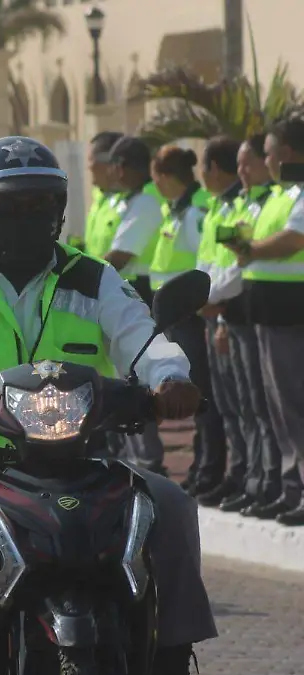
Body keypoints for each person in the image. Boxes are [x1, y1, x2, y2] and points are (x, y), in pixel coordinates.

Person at [0, 136, 217, 675]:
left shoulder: (94, 279)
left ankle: (171, 652)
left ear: (58, 212)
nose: (22, 218)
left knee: (170, 506)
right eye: (6, 207)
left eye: (38, 206)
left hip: (76, 460)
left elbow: (143, 337)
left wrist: (170, 378)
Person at [226, 115, 304, 525]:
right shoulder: (281, 192)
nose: (267, 161)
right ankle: (292, 489)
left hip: (292, 312)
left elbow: (294, 239)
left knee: (294, 404)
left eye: (269, 153)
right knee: (278, 407)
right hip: (269, 312)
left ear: (287, 154)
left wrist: (252, 248)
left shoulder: (298, 192)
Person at [149, 144, 228, 496]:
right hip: (176, 316)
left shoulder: (195, 213)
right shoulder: (177, 211)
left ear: (165, 177)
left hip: (192, 314)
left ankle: (211, 468)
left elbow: (202, 266)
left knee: (201, 395)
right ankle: (202, 465)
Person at [212, 133, 284, 514]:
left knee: (264, 405)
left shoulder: (272, 203)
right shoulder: (244, 204)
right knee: (246, 405)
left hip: (256, 313)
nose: (241, 171)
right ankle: (255, 479)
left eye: (247, 162)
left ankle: (272, 481)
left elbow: (243, 265)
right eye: (238, 164)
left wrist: (214, 303)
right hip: (233, 314)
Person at [101, 136, 170, 475]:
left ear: (125, 167)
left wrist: (83, 276)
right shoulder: (130, 201)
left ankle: (149, 462)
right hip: (124, 287)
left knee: (136, 379)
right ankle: (133, 458)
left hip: (137, 290)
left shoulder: (145, 203)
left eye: (116, 165)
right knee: (121, 376)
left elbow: (122, 254)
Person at [191, 136, 249, 507]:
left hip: (231, 312)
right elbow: (208, 263)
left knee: (248, 405)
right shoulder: (216, 207)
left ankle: (252, 477)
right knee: (229, 404)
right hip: (213, 311)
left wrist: (211, 300)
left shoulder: (239, 206)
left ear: (214, 169)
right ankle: (239, 474)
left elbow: (239, 267)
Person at [83, 130, 124, 258]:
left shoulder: (139, 198)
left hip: (127, 277)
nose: (89, 166)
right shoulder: (100, 198)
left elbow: (121, 255)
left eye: (92, 160)